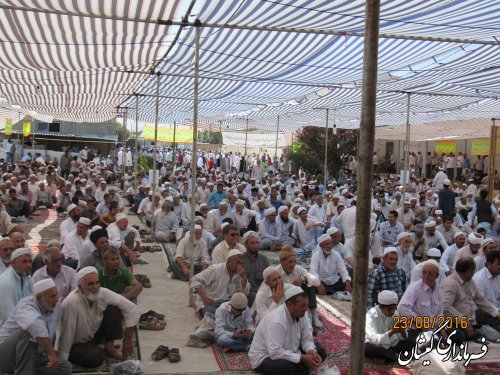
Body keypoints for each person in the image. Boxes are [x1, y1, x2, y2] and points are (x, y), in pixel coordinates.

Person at [58, 267, 139, 367]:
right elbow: (67, 334)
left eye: (97, 282)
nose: (96, 287)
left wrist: (128, 338)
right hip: (77, 343)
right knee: (94, 359)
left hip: (94, 335)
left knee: (114, 309)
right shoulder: (71, 302)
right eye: (91, 284)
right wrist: (62, 360)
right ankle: (96, 349)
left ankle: (109, 346)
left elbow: (130, 308)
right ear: (80, 287)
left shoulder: (102, 293)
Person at [0, 279, 73, 375]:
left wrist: (51, 356)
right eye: (52, 296)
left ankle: (18, 372)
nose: (56, 299)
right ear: (38, 298)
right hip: (5, 355)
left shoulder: (56, 305)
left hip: (34, 356)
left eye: (56, 294)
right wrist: (51, 353)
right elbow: (35, 327)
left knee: (65, 368)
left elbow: (52, 333)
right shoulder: (25, 306)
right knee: (30, 332)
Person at [249, 286, 327, 375]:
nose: (306, 309)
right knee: (285, 367)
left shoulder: (302, 313)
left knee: (320, 351)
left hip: (292, 349)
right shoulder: (276, 321)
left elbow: (306, 338)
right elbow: (275, 353)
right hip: (266, 357)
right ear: (290, 304)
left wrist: (310, 351)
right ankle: (308, 369)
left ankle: (306, 368)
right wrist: (302, 358)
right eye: (302, 306)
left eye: (306, 305)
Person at [399, 260, 465, 344]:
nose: (426, 276)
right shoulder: (414, 288)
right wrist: (421, 322)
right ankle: (438, 342)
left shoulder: (439, 290)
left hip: (434, 327)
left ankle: (439, 341)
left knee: (460, 336)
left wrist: (442, 329)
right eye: (424, 273)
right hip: (417, 329)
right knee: (427, 341)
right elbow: (402, 308)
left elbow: (440, 313)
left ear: (436, 275)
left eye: (430, 274)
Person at [442, 257, 500, 340]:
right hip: (455, 322)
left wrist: (495, 313)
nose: (474, 273)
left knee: (495, 323)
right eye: (473, 270)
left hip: (472, 319)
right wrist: (463, 320)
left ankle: (478, 331)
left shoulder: (469, 281)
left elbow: (480, 299)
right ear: (469, 271)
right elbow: (445, 307)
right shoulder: (451, 283)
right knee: (460, 336)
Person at [191, 249, 249, 316]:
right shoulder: (215, 269)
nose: (239, 266)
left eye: (241, 263)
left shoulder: (239, 273)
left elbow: (245, 293)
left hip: (227, 304)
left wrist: (244, 278)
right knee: (220, 313)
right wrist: (204, 298)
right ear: (229, 261)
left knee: (245, 309)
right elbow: (195, 279)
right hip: (211, 304)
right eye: (237, 263)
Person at [276, 245, 322, 328]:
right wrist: (291, 287)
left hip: (299, 300)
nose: (293, 264)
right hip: (284, 302)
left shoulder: (298, 269)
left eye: (294, 262)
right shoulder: (275, 272)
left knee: (309, 283)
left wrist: (303, 279)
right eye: (290, 262)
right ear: (282, 261)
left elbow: (317, 282)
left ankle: (314, 314)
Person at [365, 290, 415, 363]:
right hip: (373, 344)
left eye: (394, 308)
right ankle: (396, 356)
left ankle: (389, 357)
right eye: (389, 309)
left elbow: (402, 337)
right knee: (369, 349)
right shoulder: (371, 316)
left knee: (412, 342)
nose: (392, 311)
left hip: (390, 344)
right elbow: (373, 339)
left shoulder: (395, 313)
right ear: (380, 307)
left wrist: (402, 332)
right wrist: (392, 332)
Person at [0, 247, 33, 326]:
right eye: (24, 261)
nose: (28, 265)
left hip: (23, 321)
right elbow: (9, 316)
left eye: (30, 261)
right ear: (13, 263)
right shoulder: (6, 283)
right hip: (6, 328)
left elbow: (32, 302)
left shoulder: (27, 277)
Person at [241, 231, 269, 306]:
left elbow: (268, 279)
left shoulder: (264, 259)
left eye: (257, 243)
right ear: (246, 244)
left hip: (263, 292)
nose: (255, 245)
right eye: (252, 243)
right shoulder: (241, 260)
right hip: (246, 294)